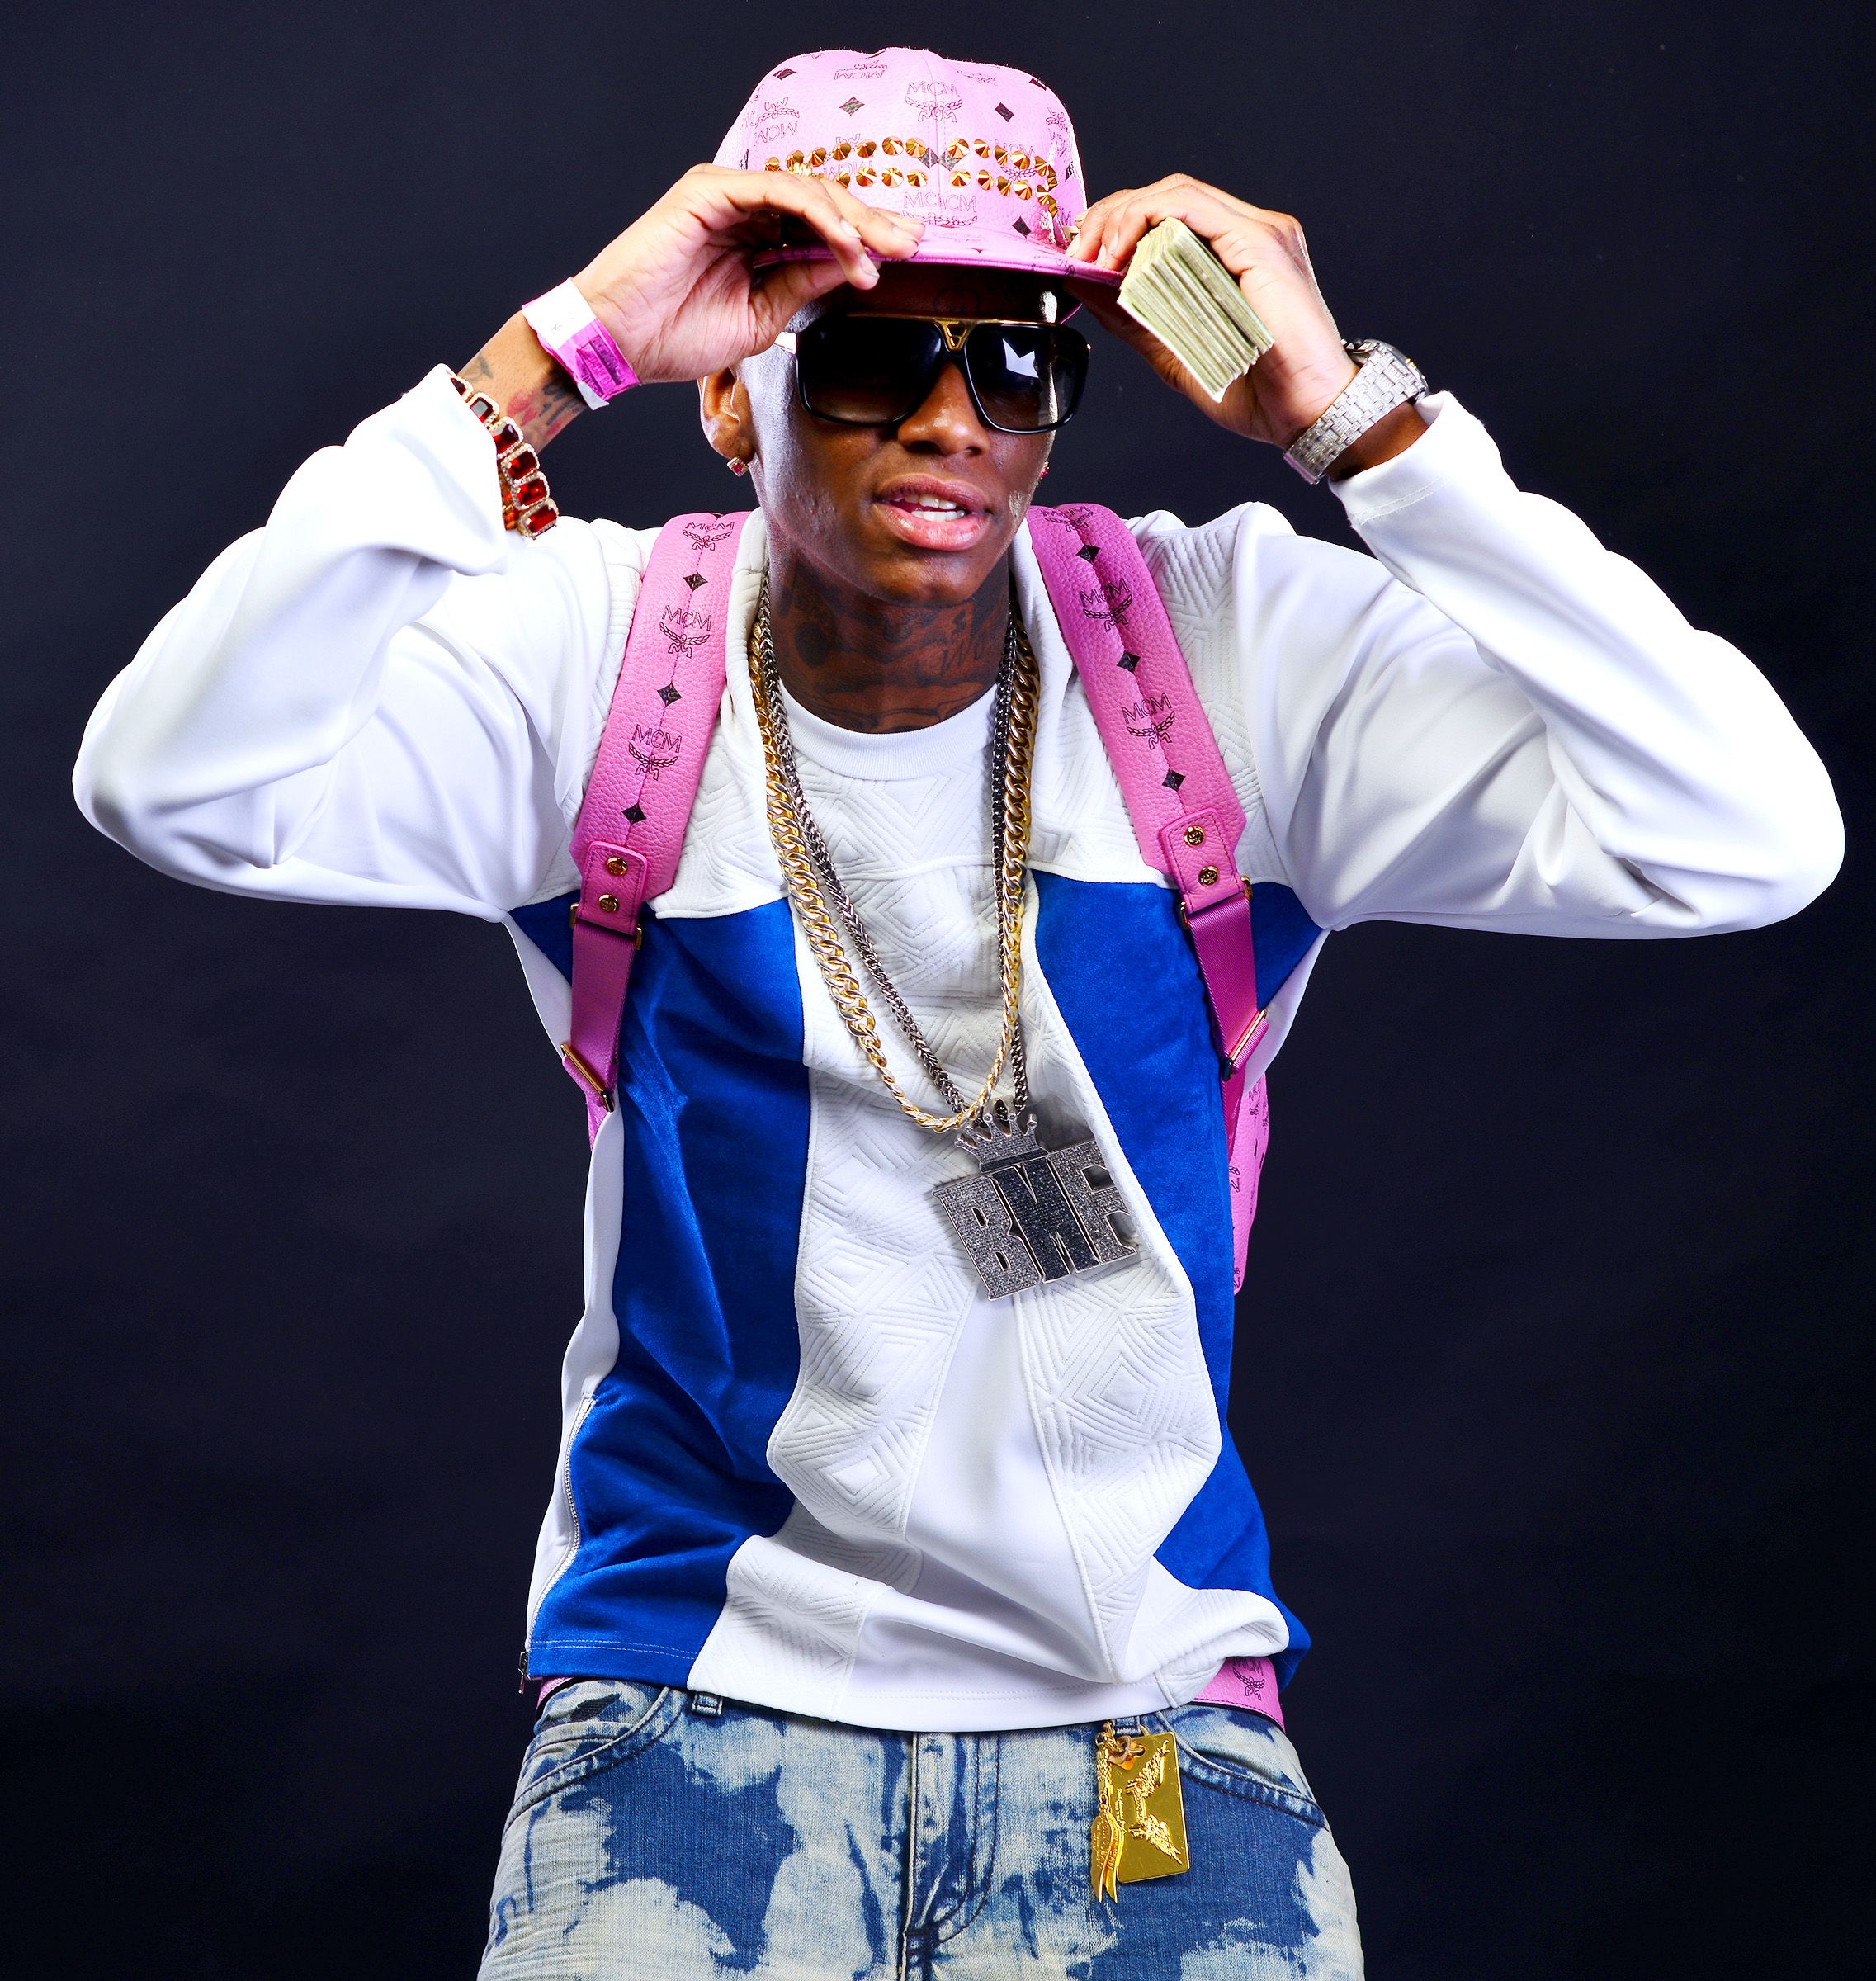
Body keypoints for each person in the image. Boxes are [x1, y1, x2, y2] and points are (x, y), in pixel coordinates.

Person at [73, 44, 1841, 1981]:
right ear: (732, 395)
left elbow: (1748, 835)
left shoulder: (1225, 657)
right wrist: (551, 356)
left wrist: (1355, 426)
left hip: (1147, 1725)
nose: (949, 419)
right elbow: (169, 779)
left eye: (1014, 360)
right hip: (687, 1715)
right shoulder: (590, 660)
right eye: (864, 354)